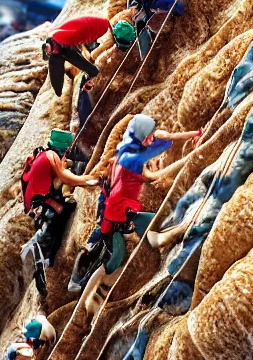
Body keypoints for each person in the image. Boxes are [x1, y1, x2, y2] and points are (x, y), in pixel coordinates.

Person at [68, 115, 200, 308]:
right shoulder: (132, 159)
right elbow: (158, 166)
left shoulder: (129, 152)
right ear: (140, 136)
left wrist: (193, 134)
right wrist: (188, 153)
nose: (151, 138)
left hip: (124, 213)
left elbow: (160, 147)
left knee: (154, 224)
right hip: (115, 216)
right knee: (116, 258)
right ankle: (87, 294)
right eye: (149, 135)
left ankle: (167, 243)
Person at [21, 129, 99, 296]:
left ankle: (43, 248)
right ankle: (39, 250)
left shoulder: (46, 152)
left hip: (40, 198)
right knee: (57, 220)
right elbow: (66, 178)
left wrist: (78, 165)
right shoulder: (51, 156)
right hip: (42, 203)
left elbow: (64, 166)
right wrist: (88, 179)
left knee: (62, 212)